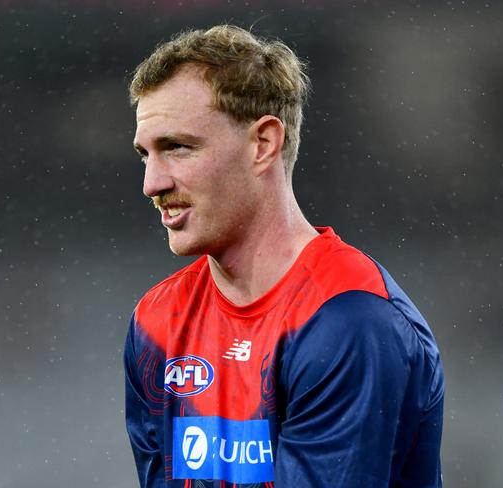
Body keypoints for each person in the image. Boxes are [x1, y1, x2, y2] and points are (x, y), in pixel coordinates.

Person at [124, 25, 444, 488]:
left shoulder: (348, 320)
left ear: (263, 144)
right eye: (145, 155)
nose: (152, 183)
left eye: (177, 147)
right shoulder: (156, 322)